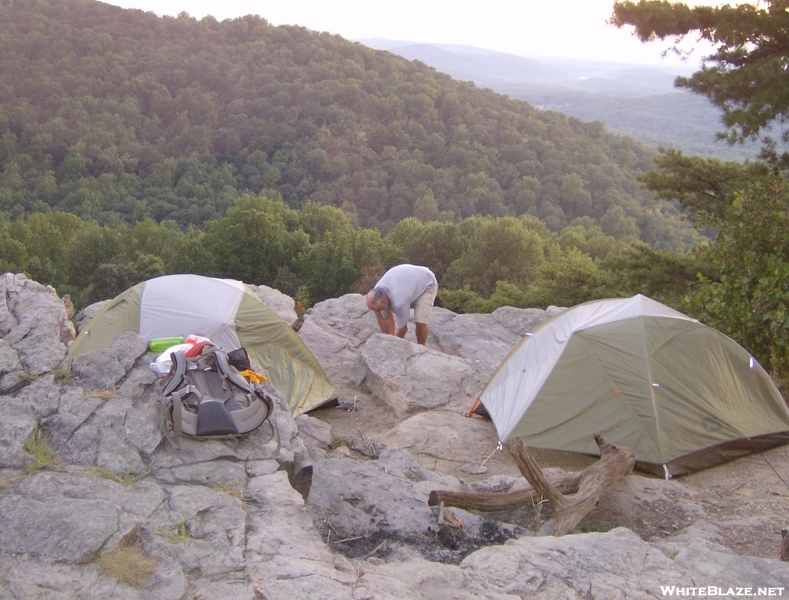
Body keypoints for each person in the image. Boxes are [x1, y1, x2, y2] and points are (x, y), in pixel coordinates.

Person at [365, 264, 438, 345]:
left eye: (378, 309)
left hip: (426, 283)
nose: (377, 312)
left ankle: (421, 349)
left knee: (420, 322)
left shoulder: (399, 302)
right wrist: (388, 341)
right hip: (408, 283)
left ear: (383, 302)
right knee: (380, 314)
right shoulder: (378, 290)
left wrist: (393, 346)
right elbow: (386, 318)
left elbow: (403, 330)